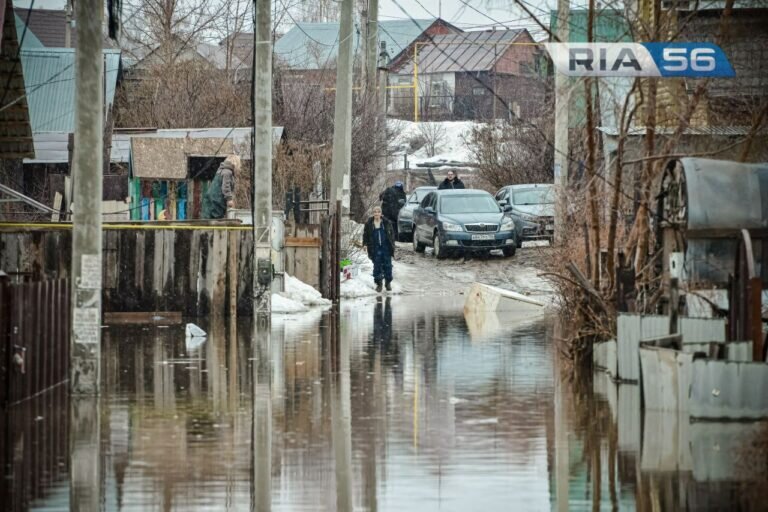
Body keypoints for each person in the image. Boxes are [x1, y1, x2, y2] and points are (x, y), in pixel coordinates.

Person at [363, 206, 396, 292]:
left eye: (378, 212)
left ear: (381, 213)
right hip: (375, 247)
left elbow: (392, 235)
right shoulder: (369, 224)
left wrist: (392, 245)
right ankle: (379, 284)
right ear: (373, 213)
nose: (376, 213)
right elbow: (365, 235)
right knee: (377, 266)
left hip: (385, 247)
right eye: (375, 212)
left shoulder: (386, 223)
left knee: (388, 266)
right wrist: (365, 244)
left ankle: (388, 282)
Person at [201, 155, 240, 219]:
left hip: (211, 199)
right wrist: (229, 199)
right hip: (217, 201)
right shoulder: (227, 172)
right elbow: (226, 187)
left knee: (207, 221)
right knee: (216, 222)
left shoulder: (221, 170)